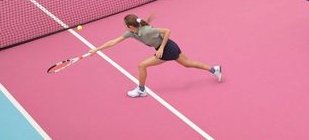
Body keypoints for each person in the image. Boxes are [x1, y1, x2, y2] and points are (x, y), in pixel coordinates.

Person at [89, 13, 222, 98]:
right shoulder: (132, 33)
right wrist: (96, 49)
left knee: (142, 65)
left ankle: (141, 90)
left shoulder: (146, 30)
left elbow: (167, 31)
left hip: (167, 48)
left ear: (130, 26)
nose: (124, 26)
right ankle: (214, 69)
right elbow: (113, 41)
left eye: (125, 25)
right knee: (187, 63)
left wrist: (161, 49)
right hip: (166, 48)